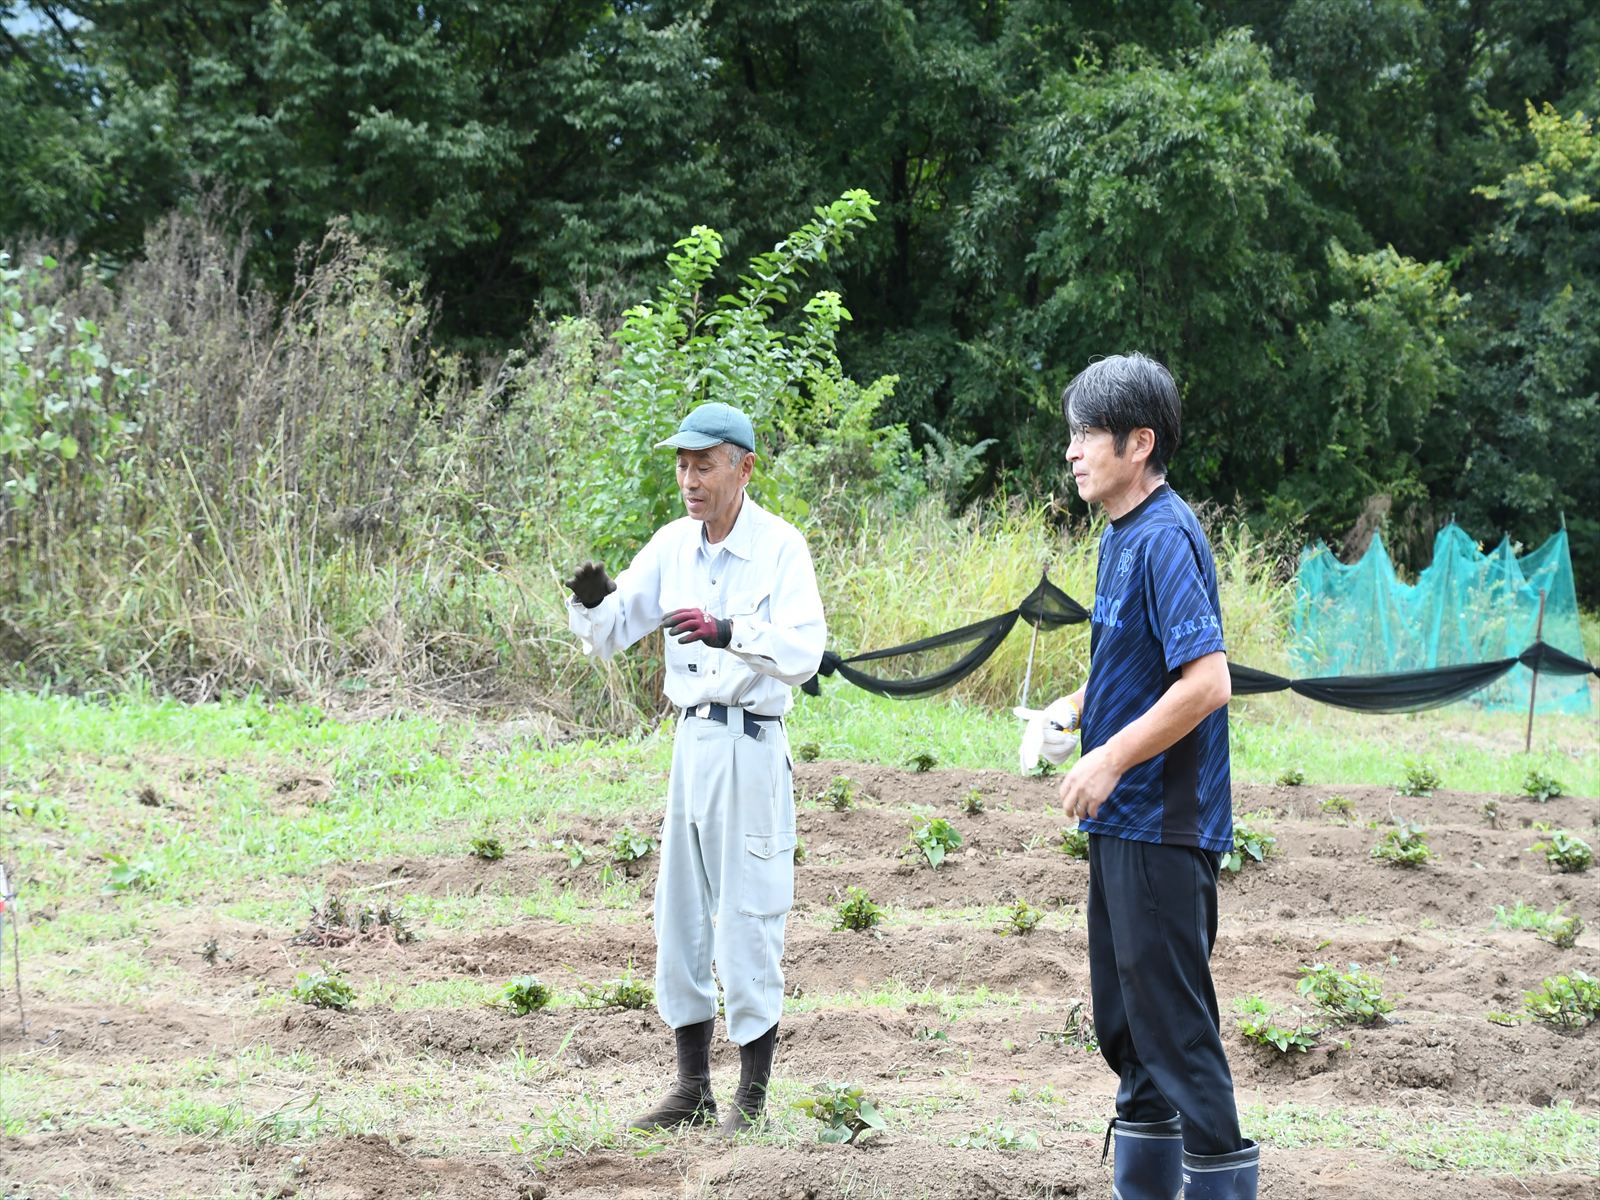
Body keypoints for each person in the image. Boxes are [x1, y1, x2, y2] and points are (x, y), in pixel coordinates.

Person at [563, 400, 825, 1138]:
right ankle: (691, 1088)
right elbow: (615, 628)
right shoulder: (674, 546)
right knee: (680, 916)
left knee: (749, 914)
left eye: (703, 464)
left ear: (743, 467)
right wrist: (590, 601)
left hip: (749, 743)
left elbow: (803, 653)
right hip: (692, 743)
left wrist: (730, 630)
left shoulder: (779, 548)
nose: (689, 478)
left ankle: (753, 1095)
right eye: (682, 464)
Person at [1030, 354, 1259, 1199]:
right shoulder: (1123, 533)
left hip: (1163, 822)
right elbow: (1142, 661)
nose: (1073, 452)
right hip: (1123, 820)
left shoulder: (1165, 537)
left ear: (1140, 443)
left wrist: (1110, 755)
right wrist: (1075, 708)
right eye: (1074, 433)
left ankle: (1223, 1181)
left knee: (1174, 1033)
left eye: (1088, 434)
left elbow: (1207, 681)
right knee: (1128, 1027)